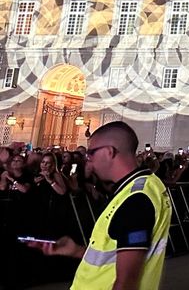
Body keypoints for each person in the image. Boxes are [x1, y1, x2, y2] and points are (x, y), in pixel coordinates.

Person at [28, 121, 172, 290]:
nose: (89, 162)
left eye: (91, 154)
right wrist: (77, 251)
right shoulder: (148, 185)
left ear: (109, 151)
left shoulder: (135, 199)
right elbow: (116, 255)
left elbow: (126, 281)